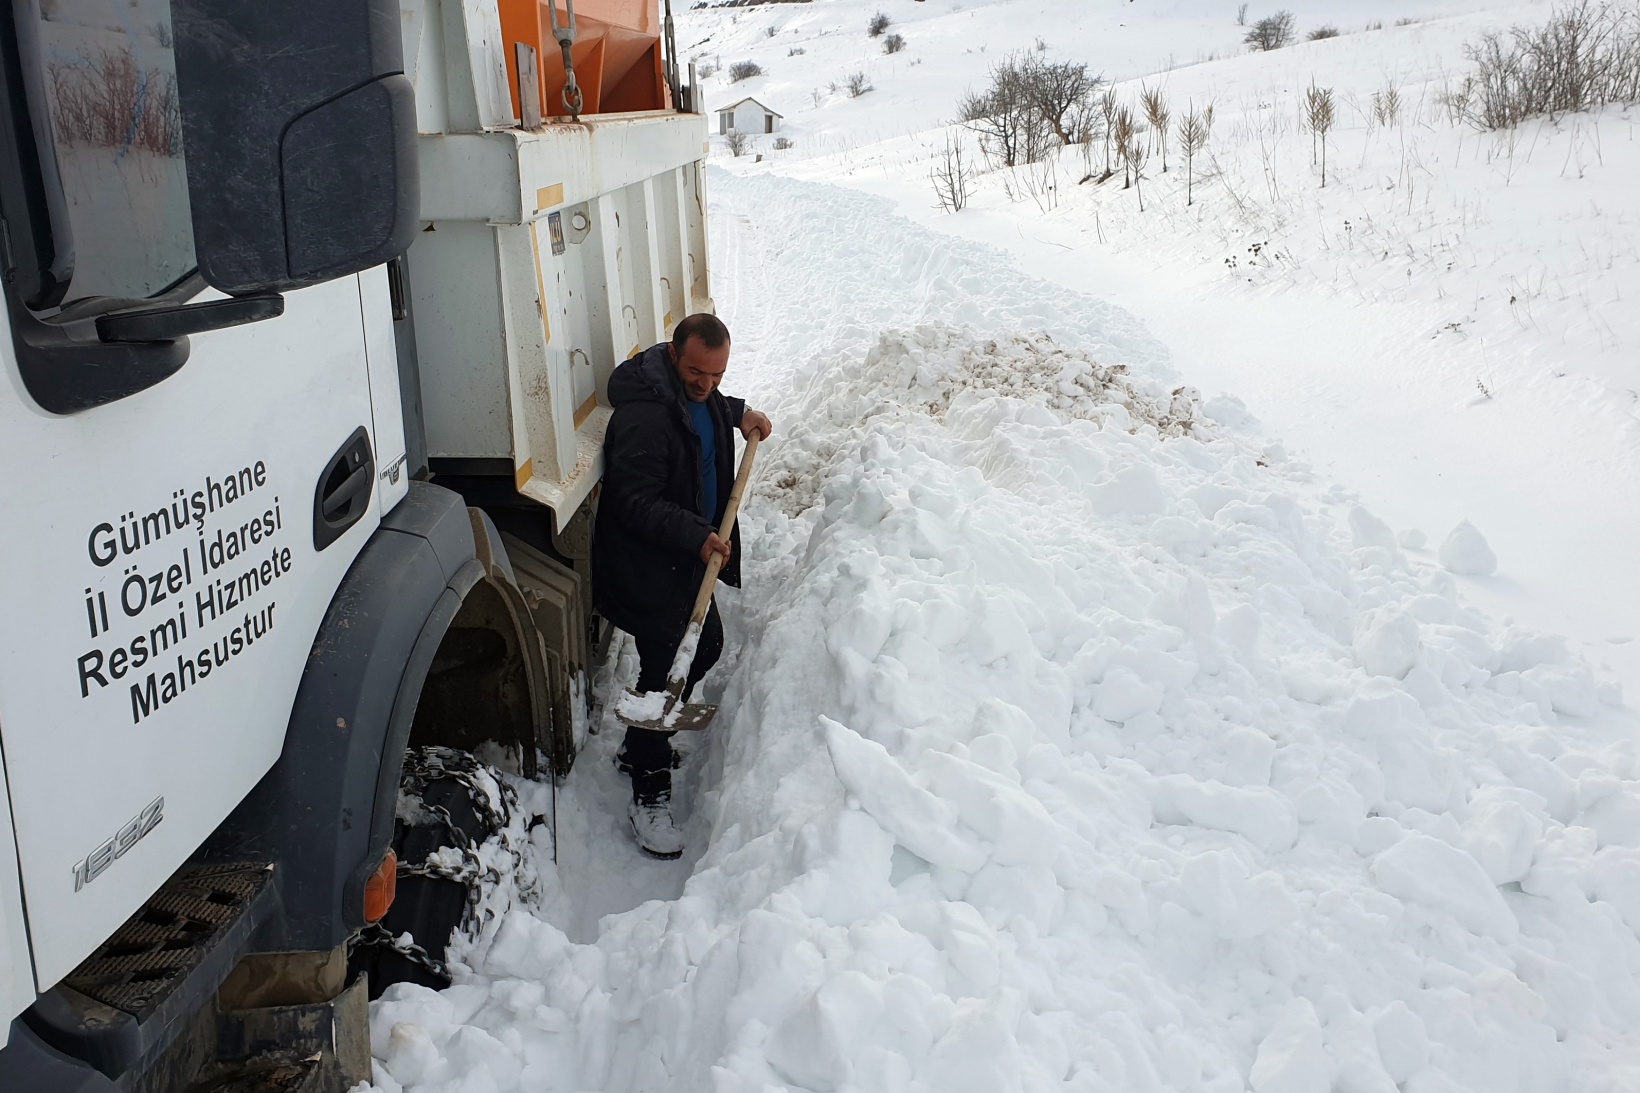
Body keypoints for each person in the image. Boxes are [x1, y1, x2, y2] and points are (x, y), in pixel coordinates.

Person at [591, 314, 773, 858]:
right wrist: (698, 534)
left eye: (718, 375)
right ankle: (648, 792)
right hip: (649, 561)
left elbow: (709, 407)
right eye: (697, 372)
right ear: (674, 356)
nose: (706, 384)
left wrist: (740, 413)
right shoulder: (646, 416)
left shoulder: (698, 393)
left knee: (705, 646)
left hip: (685, 556)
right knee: (667, 665)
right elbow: (633, 501)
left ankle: (638, 746)